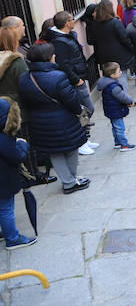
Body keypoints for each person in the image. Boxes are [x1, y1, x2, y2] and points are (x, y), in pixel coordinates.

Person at [18, 43, 90, 194]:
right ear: (48, 58)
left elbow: (24, 102)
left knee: (54, 152)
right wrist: (80, 111)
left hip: (39, 121)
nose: (55, 56)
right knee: (71, 149)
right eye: (53, 54)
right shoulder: (58, 76)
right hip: (62, 119)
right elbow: (71, 100)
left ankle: (69, 181)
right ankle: (71, 181)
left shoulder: (24, 78)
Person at [43, 11, 95, 155]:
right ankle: (81, 142)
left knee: (85, 110)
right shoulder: (59, 41)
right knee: (84, 110)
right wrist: (76, 79)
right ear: (67, 23)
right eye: (72, 19)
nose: (74, 21)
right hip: (74, 81)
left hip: (78, 76)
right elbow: (63, 64)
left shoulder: (67, 36)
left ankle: (84, 138)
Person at [0, 96, 35, 248]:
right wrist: (22, 145)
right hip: (3, 180)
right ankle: (12, 239)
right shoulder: (3, 137)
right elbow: (16, 157)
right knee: (6, 209)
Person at [87, 0, 136, 80]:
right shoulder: (115, 22)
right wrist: (132, 48)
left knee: (109, 79)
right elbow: (124, 38)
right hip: (119, 56)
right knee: (121, 79)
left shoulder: (94, 24)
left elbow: (92, 40)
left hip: (104, 56)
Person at [96, 62, 136, 151]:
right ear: (112, 75)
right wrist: (130, 102)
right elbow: (123, 97)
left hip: (110, 109)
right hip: (116, 110)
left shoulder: (106, 83)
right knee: (120, 128)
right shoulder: (113, 86)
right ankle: (124, 144)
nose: (121, 73)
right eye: (118, 72)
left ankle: (117, 142)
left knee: (115, 127)